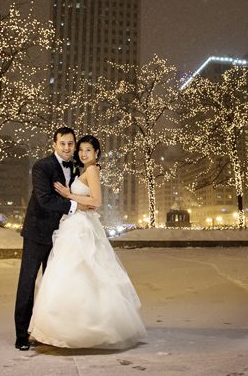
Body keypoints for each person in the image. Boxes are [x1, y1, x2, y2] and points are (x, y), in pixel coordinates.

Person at [28, 135, 146, 349]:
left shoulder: (92, 170)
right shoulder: (81, 170)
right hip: (74, 224)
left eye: (88, 150)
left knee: (81, 272)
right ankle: (63, 326)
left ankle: (81, 328)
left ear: (97, 153)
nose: (83, 153)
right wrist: (72, 198)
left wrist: (68, 195)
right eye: (80, 149)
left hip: (82, 227)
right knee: (70, 274)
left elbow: (96, 202)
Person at [14, 126, 89, 351]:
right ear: (54, 145)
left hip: (62, 236)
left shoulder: (77, 168)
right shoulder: (42, 166)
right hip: (37, 233)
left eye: (70, 144)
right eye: (63, 143)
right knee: (27, 284)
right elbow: (45, 199)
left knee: (54, 286)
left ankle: (49, 331)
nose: (67, 148)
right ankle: (21, 335)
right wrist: (75, 205)